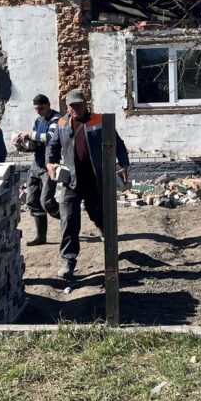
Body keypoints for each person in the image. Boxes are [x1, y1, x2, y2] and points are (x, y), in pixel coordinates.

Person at [46, 88, 129, 280]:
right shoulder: (61, 124)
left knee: (99, 216)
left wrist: (124, 163)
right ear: (67, 107)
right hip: (71, 181)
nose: (75, 109)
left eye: (79, 105)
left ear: (86, 104)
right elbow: (52, 146)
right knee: (69, 221)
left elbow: (117, 142)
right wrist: (50, 162)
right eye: (72, 106)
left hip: (95, 181)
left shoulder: (100, 121)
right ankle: (68, 261)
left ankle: (109, 246)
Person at [13, 94, 61, 245]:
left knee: (46, 201)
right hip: (36, 164)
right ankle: (41, 236)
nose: (39, 111)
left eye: (41, 108)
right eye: (36, 109)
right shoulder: (38, 121)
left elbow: (50, 137)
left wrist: (30, 134)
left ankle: (70, 220)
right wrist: (21, 144)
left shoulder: (56, 119)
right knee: (32, 200)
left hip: (50, 165)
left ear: (48, 105)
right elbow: (34, 145)